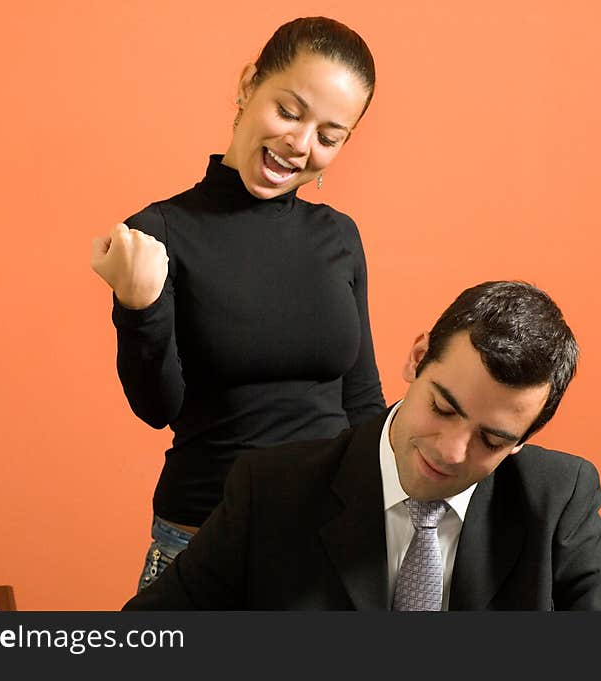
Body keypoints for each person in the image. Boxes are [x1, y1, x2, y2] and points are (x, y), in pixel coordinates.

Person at [122, 281, 601, 611]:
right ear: (418, 358)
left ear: (523, 442)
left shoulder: (558, 498)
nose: (452, 451)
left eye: (492, 439)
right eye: (443, 408)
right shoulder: (272, 489)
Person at [90, 17, 386, 593]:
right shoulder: (158, 234)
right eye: (289, 112)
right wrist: (139, 305)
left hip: (327, 545)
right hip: (204, 541)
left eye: (329, 136)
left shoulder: (340, 238)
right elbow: (158, 407)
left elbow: (362, 400)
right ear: (250, 84)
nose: (300, 145)